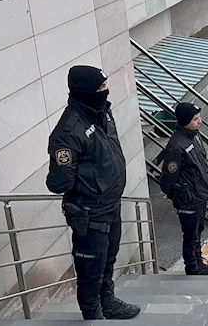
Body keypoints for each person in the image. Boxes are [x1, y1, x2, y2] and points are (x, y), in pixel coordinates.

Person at [46, 66, 141, 320]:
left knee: (107, 261)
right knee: (91, 269)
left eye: (105, 85)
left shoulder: (103, 113)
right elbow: (58, 183)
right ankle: (92, 315)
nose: (105, 91)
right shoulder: (68, 131)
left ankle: (107, 302)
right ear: (85, 91)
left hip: (111, 206)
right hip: (90, 214)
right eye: (100, 88)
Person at [160, 103, 208, 277]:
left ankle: (198, 262)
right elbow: (168, 178)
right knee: (191, 236)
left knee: (197, 232)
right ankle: (193, 267)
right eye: (195, 119)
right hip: (189, 200)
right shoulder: (177, 145)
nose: (200, 121)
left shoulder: (192, 137)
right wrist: (181, 196)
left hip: (198, 196)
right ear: (185, 121)